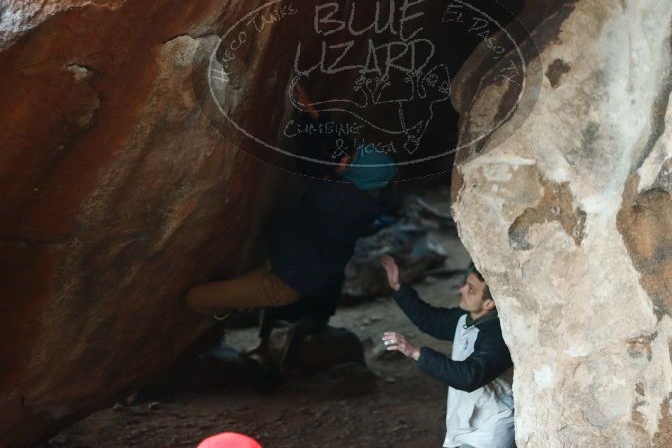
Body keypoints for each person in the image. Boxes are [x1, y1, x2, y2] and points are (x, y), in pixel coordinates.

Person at [184, 82, 397, 317]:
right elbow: (344, 149)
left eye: (349, 162)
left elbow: (307, 159)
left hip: (284, 282)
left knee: (196, 299)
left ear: (357, 177)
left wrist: (305, 120)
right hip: (292, 262)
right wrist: (313, 113)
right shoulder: (369, 190)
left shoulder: (336, 201)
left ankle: (230, 310)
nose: (344, 159)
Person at [379, 255, 515, 448]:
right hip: (467, 423)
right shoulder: (466, 318)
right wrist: (398, 287)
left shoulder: (498, 335)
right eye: (465, 284)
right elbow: (430, 320)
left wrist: (416, 352)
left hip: (489, 428)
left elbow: (469, 376)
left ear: (489, 304)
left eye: (471, 290)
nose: (461, 290)